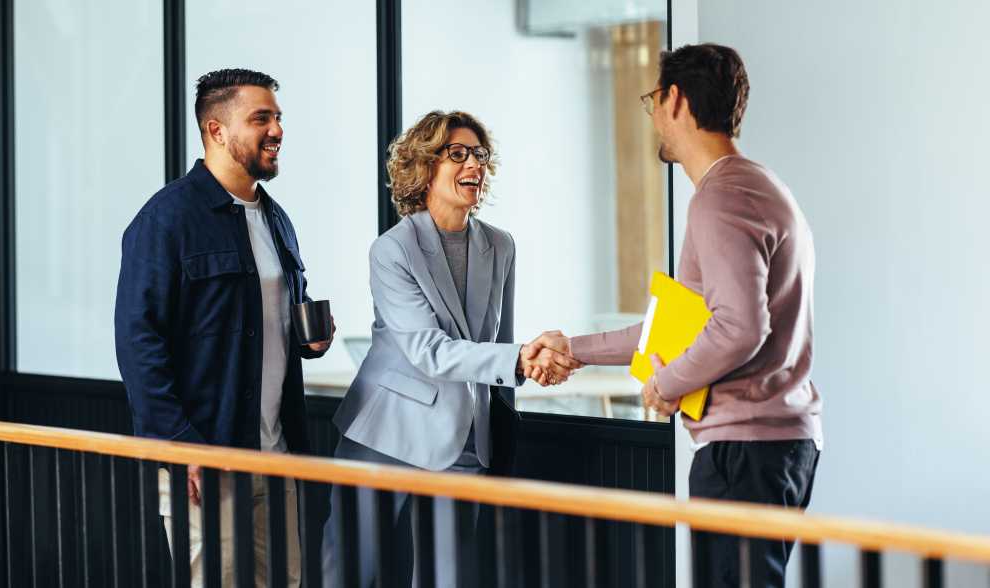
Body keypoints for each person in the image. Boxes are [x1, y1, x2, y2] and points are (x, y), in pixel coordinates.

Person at [528, 44, 822, 587]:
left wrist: (666, 382)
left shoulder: (721, 199)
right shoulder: (754, 187)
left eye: (653, 101)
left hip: (745, 451)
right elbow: (678, 329)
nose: (655, 118)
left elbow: (740, 326)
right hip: (769, 447)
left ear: (677, 101)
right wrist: (575, 348)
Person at [323, 110, 579, 587]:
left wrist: (529, 365)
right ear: (424, 167)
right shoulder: (392, 250)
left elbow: (502, 341)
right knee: (351, 573)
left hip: (464, 436)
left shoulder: (501, 246)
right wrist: (521, 358)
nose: (474, 166)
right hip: (385, 432)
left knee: (451, 577)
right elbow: (428, 349)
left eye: (480, 155)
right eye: (457, 154)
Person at [114, 68, 333, 587]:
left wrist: (311, 340)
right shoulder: (166, 219)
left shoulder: (277, 219)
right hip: (208, 461)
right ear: (216, 130)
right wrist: (178, 443)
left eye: (278, 118)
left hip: (278, 456)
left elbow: (270, 324)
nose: (277, 130)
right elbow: (137, 339)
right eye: (262, 118)